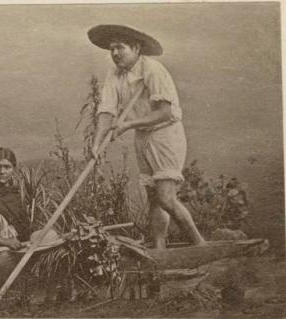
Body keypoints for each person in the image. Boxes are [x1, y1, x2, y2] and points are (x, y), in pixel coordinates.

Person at [88, 25, 206, 249]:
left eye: (120, 47)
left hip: (165, 134)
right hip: (142, 136)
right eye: (111, 49)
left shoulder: (152, 69)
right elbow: (107, 110)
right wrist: (96, 144)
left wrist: (129, 124)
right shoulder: (115, 73)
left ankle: (199, 244)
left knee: (166, 197)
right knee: (153, 197)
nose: (115, 53)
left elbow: (165, 111)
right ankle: (159, 249)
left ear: (136, 47)